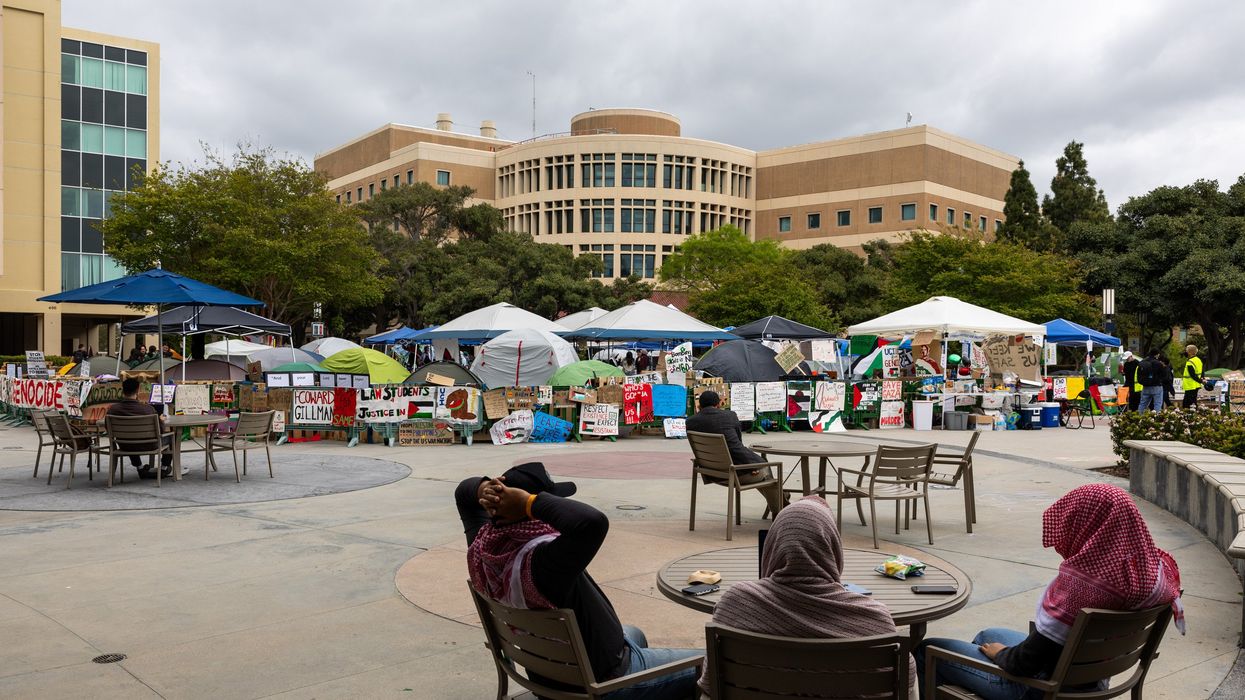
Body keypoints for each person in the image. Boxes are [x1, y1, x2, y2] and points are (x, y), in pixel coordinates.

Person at [916, 484, 1184, 699]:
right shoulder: (1154, 574)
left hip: (1043, 687)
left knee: (928, 650)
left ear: (1089, 527)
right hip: (1090, 675)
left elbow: (1024, 664)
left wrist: (999, 654)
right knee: (986, 635)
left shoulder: (1082, 591)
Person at [456, 463, 701, 699]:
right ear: (530, 512)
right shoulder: (542, 562)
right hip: (606, 683)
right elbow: (591, 523)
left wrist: (489, 489)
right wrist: (529, 502)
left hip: (548, 679)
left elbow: (463, 492)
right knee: (718, 661)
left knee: (634, 633)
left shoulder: (486, 548)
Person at [700, 496, 916, 699]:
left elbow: (710, 686)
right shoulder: (875, 620)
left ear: (773, 546)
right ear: (832, 548)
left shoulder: (736, 604)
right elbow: (906, 684)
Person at [685, 390, 785, 516]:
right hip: (733, 473)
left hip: (711, 472)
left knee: (761, 470)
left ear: (699, 406)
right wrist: (753, 464)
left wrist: (751, 463)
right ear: (719, 404)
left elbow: (734, 448)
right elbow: (737, 444)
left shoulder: (690, 422)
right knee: (765, 469)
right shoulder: (729, 416)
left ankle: (782, 497)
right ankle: (782, 510)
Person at [105, 377, 176, 479]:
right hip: (150, 445)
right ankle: (164, 468)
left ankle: (140, 468)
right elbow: (160, 430)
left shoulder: (112, 410)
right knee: (172, 438)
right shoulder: (148, 409)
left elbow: (108, 429)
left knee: (130, 436)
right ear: (138, 390)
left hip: (125, 445)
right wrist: (160, 420)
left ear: (122, 390)